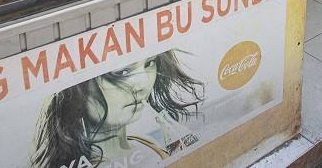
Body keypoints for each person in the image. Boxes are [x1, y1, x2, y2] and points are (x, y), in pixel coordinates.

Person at [31, 50, 203, 168]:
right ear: (76, 90)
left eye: (150, 62)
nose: (142, 84)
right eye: (120, 73)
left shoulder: (146, 143)